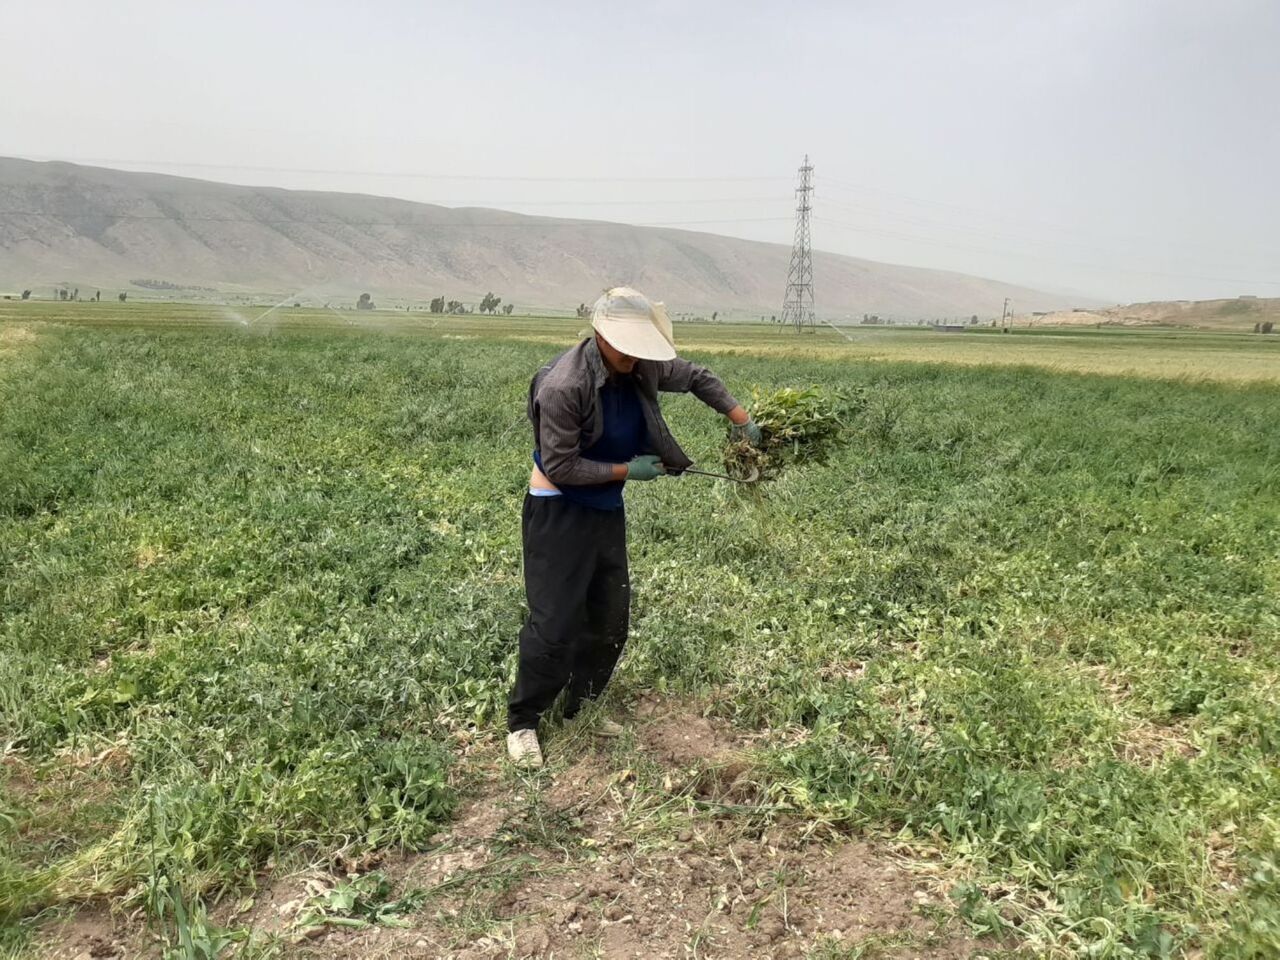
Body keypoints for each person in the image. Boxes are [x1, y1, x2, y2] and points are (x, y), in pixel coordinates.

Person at [506, 287, 761, 768]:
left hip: (603, 509)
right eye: (627, 346)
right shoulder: (564, 385)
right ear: (601, 336)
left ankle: (580, 705)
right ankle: (524, 721)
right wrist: (629, 471)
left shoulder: (640, 364)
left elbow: (696, 376)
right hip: (558, 509)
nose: (635, 357)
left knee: (609, 615)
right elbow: (561, 465)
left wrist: (738, 416)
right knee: (555, 622)